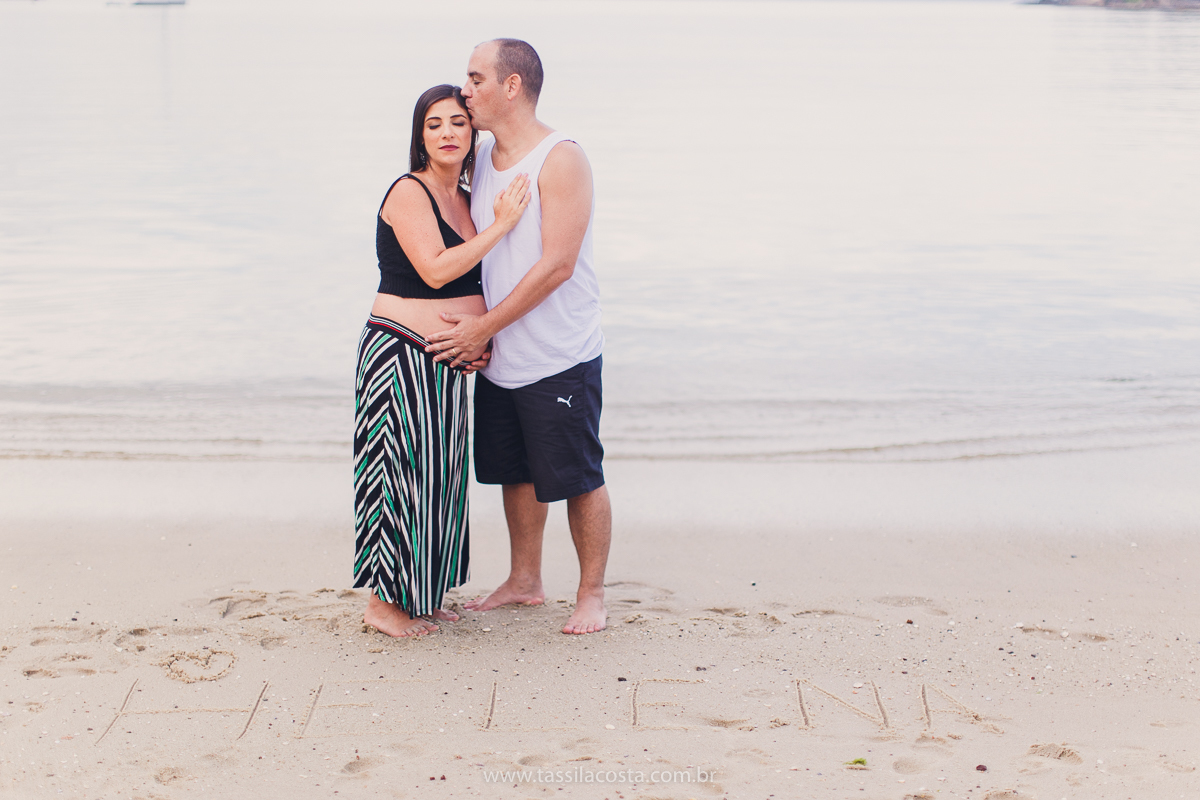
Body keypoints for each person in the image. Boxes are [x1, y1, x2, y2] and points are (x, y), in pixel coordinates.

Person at [425, 39, 612, 635]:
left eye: (475, 79)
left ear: (511, 87)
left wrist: (484, 326)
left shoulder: (560, 158)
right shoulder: (480, 159)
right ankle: (525, 579)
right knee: (516, 471)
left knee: (578, 475)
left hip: (559, 352)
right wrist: (477, 329)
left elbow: (557, 265)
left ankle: (591, 594)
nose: (465, 90)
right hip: (501, 351)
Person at [353, 84, 531, 638]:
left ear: (473, 130)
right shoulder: (411, 191)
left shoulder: (468, 196)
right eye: (434, 124)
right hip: (400, 352)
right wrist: (503, 225)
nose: (448, 133)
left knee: (438, 480)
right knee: (396, 475)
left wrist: (484, 336)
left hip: (447, 362)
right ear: (419, 135)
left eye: (458, 122)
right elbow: (433, 270)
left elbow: (477, 276)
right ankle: (383, 607)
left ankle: (419, 596)